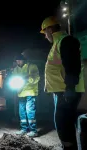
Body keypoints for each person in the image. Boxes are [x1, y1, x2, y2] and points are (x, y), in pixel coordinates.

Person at [40, 16, 84, 150]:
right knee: (64, 124)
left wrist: (70, 88)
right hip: (62, 91)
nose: (45, 36)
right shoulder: (58, 43)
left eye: (45, 32)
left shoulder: (66, 41)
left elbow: (72, 66)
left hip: (67, 91)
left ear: (49, 29)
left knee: (63, 124)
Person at [13, 54, 40, 137]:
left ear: (24, 60)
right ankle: (24, 129)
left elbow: (36, 78)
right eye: (17, 61)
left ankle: (34, 130)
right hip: (21, 93)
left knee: (30, 111)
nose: (18, 62)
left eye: (19, 60)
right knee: (22, 112)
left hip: (30, 92)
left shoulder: (32, 66)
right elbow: (14, 79)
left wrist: (28, 78)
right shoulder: (16, 69)